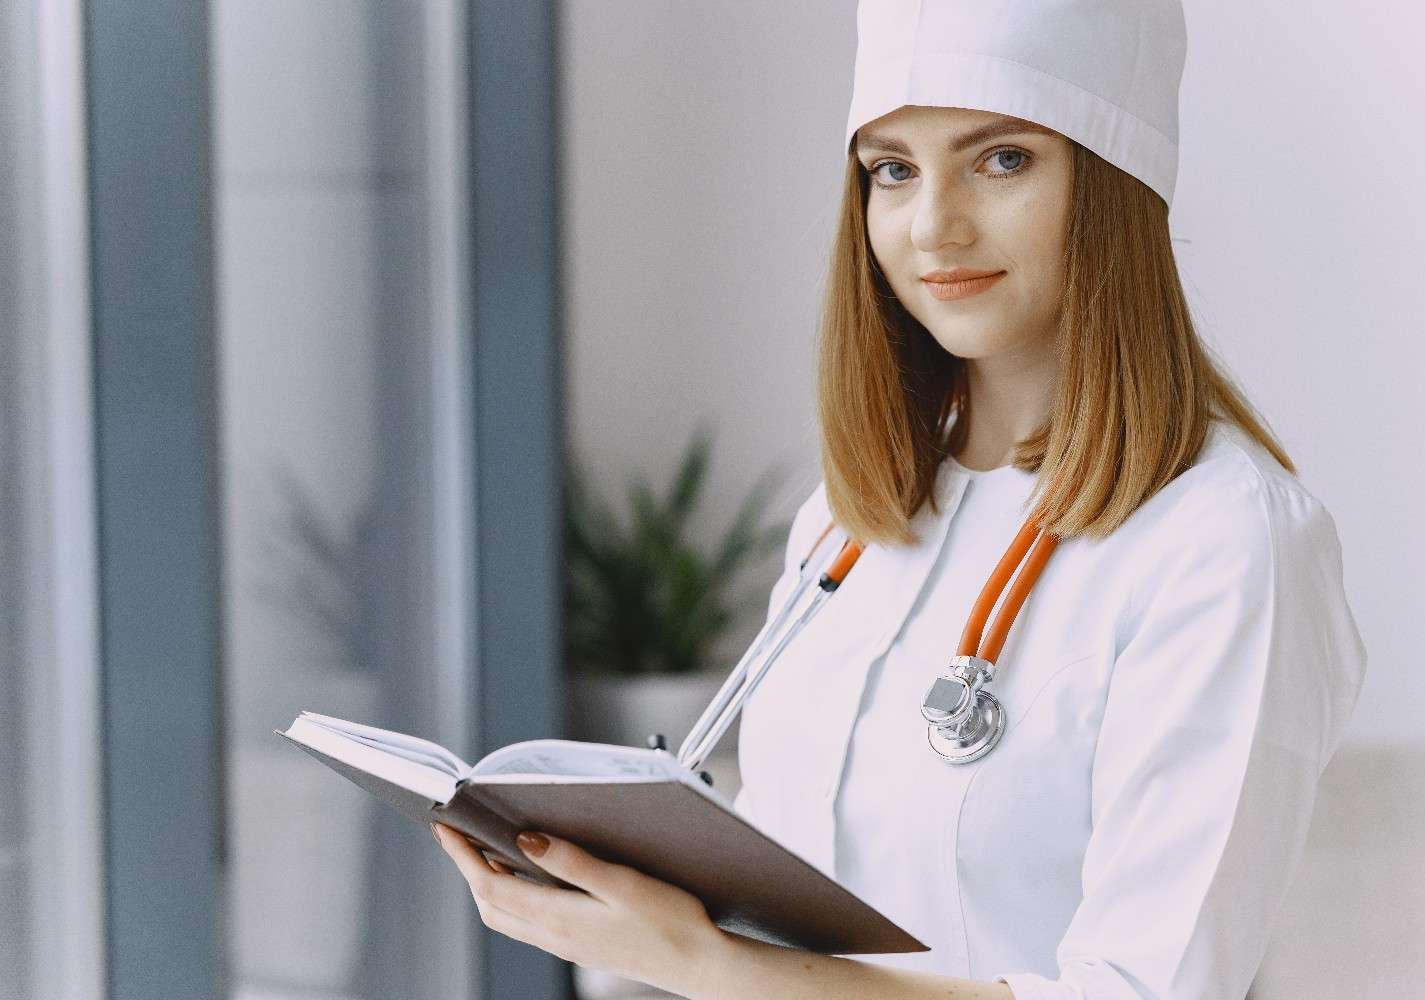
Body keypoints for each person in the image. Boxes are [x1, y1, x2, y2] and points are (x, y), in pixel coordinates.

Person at [432, 1, 1368, 997]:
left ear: (1114, 180)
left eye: (1002, 158)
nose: (934, 225)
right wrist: (621, 911)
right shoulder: (846, 522)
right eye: (892, 169)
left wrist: (712, 965)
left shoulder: (1226, 542)